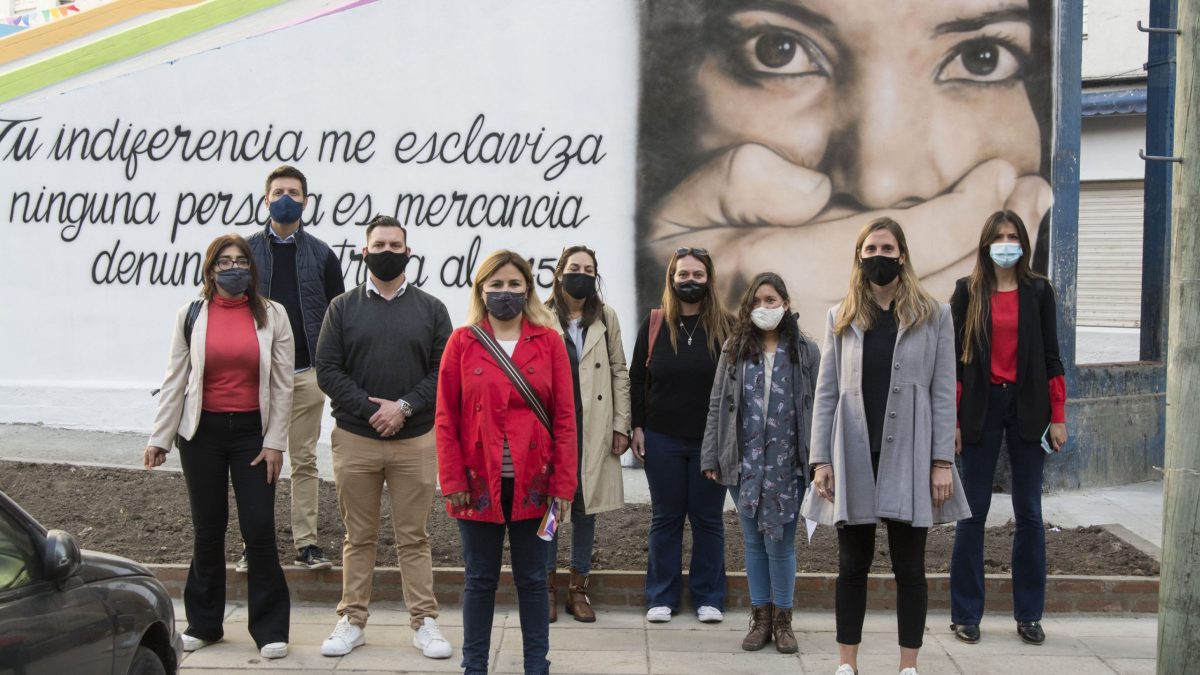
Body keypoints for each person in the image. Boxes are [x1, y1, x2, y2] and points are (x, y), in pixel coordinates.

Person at [636, 0, 1054, 334]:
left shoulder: (1036, 309)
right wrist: (690, 318)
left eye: (981, 58)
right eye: (778, 50)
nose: (881, 186)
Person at [803, 218, 971, 675]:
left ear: (902, 254)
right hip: (854, 453)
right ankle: (846, 664)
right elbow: (826, 392)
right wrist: (820, 460)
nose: (879, 254)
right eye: (870, 247)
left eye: (887, 247)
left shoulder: (934, 315)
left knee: (910, 566)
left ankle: (908, 666)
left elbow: (941, 391)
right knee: (852, 563)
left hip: (912, 456)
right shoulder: (840, 315)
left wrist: (942, 462)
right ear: (860, 256)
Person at [144, 234, 294, 660]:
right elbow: (176, 378)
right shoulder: (191, 314)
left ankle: (270, 629)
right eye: (225, 262)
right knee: (208, 529)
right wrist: (160, 437)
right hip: (202, 435)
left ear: (252, 267)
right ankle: (205, 623)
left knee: (259, 527)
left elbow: (283, 386)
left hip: (253, 435)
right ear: (210, 270)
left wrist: (276, 443)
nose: (234, 268)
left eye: (241, 260)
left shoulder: (273, 315)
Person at [314, 215, 453, 660]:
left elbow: (443, 373)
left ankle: (424, 622)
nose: (387, 251)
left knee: (414, 537)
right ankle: (352, 619)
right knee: (360, 535)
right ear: (364, 251)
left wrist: (405, 407)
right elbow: (328, 370)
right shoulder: (342, 307)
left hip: (415, 440)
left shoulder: (432, 309)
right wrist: (371, 409)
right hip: (357, 438)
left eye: (396, 245)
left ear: (409, 252)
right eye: (380, 244)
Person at [436, 250, 578, 675]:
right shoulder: (462, 342)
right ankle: (474, 665)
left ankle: (538, 664)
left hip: (537, 483)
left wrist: (563, 486)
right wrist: (452, 476)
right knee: (479, 579)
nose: (505, 293)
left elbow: (567, 419)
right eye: (495, 285)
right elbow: (445, 416)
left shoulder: (549, 341)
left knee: (534, 581)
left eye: (514, 284)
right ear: (481, 290)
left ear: (528, 289)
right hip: (478, 483)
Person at [949, 210, 1067, 646]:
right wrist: (954, 422)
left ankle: (1029, 614)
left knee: (1030, 513)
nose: (1006, 242)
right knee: (972, 511)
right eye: (998, 236)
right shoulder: (967, 292)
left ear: (1023, 243)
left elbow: (1053, 356)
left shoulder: (1039, 291)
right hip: (979, 407)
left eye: (1012, 236)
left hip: (1029, 407)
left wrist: (1059, 416)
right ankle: (965, 613)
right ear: (985, 244)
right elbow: (953, 367)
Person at [701, 272, 819, 653]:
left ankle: (783, 620)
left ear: (785, 304)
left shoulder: (806, 351)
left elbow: (821, 406)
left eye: (771, 301)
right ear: (747, 307)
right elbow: (717, 403)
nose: (764, 308)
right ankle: (760, 618)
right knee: (752, 542)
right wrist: (711, 455)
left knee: (781, 544)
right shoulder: (734, 350)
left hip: (790, 465)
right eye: (757, 302)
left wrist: (821, 461)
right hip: (744, 461)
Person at [245, 164, 345, 571]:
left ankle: (307, 544)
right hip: (258, 378)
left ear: (306, 200)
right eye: (278, 191)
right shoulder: (246, 251)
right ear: (265, 198)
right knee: (259, 461)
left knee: (303, 460)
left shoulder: (322, 254)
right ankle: (257, 546)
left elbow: (339, 314)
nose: (286, 198)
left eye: (294, 191)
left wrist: (332, 369)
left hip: (307, 375)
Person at [629, 247, 732, 624]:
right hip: (662, 438)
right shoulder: (655, 323)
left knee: (708, 519)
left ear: (709, 279)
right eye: (683, 275)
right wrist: (638, 427)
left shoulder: (727, 326)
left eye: (698, 275)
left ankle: (709, 597)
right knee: (666, 518)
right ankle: (661, 596)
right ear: (671, 279)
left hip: (711, 443)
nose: (690, 281)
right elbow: (638, 378)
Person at [543, 245, 632, 623]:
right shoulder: (540, 315)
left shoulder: (606, 317)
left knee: (586, 509)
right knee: (549, 511)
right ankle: (545, 588)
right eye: (574, 267)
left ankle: (578, 590)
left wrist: (620, 424)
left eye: (589, 268)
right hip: (552, 428)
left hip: (594, 426)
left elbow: (618, 370)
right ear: (559, 271)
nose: (581, 273)